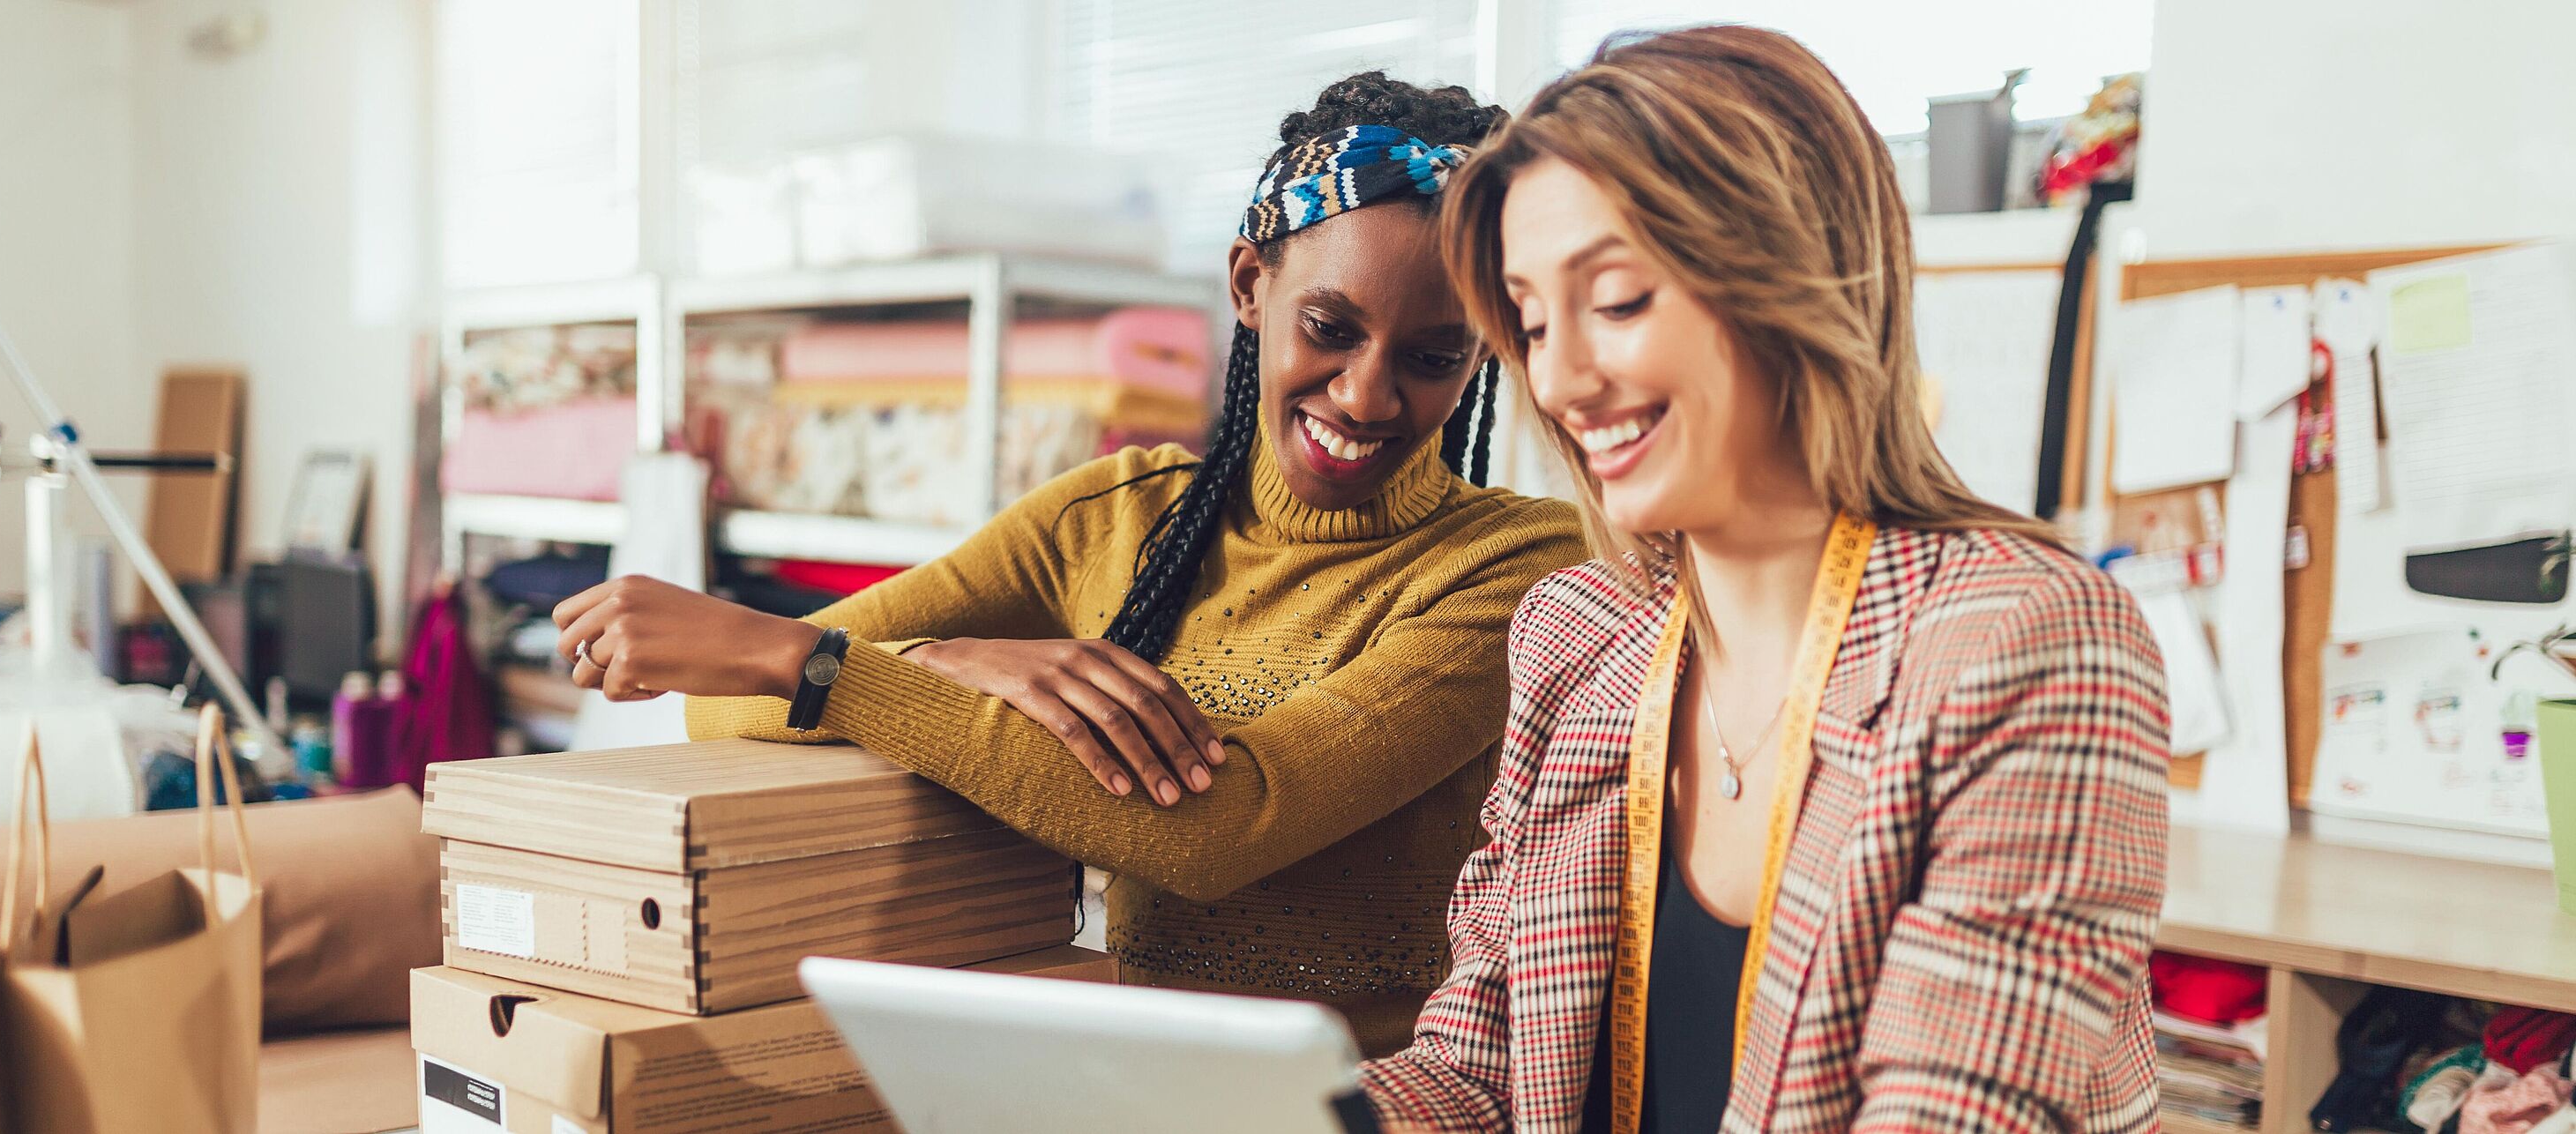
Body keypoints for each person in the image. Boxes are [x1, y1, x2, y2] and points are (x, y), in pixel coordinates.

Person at [550, 73, 1585, 1056]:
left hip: (1373, 1104)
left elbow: (1228, 823)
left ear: (1483, 352)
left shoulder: (1516, 568)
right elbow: (724, 700)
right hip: (1118, 1081)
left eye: (1433, 356)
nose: (1366, 395)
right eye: (1330, 327)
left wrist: (831, 666)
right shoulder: (1119, 514)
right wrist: (946, 658)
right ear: (1249, 286)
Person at [1361, 26, 2170, 1131]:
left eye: (1619, 301)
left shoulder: (2027, 642)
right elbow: (1475, 1066)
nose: (1562, 377)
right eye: (1534, 322)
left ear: (1789, 274)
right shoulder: (1575, 634)